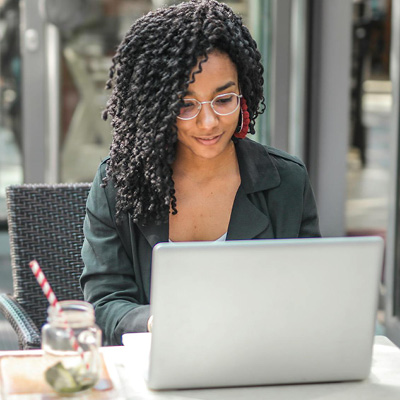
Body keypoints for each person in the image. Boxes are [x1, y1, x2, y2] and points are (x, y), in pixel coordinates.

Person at [80, 0, 321, 346]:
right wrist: (154, 321)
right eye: (185, 105)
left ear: (244, 94)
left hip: (261, 363)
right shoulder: (118, 184)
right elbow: (103, 305)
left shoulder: (286, 182)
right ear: (157, 107)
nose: (208, 123)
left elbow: (310, 297)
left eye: (224, 101)